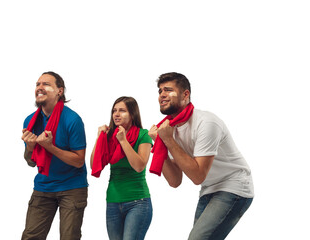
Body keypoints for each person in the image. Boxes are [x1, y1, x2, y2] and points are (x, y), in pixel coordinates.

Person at [149, 72, 254, 240]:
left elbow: (197, 175)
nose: (162, 95)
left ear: (185, 95)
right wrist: (160, 143)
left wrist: (167, 139)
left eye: (168, 90)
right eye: (160, 91)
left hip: (234, 187)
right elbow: (175, 181)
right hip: (209, 189)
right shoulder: (169, 129)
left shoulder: (206, 123)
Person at [21, 71, 88, 240]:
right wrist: (30, 147)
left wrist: (49, 147)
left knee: (69, 237)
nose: (39, 88)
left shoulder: (72, 120)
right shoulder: (30, 121)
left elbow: (79, 161)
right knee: (30, 237)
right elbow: (31, 162)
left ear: (60, 91)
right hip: (44, 186)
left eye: (46, 84)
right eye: (37, 84)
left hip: (72, 188)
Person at [90, 96, 153, 240]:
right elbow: (94, 165)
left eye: (122, 111)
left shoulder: (144, 135)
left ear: (132, 114)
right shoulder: (109, 136)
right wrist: (99, 138)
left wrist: (123, 141)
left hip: (138, 202)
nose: (116, 114)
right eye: (114, 111)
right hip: (113, 202)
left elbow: (139, 166)